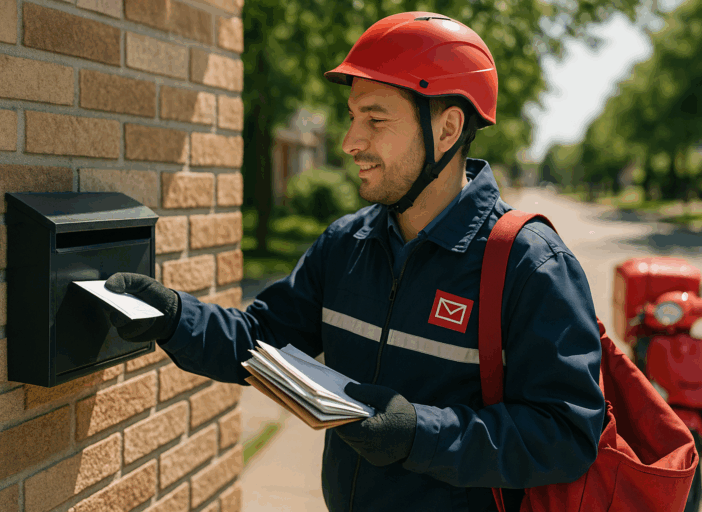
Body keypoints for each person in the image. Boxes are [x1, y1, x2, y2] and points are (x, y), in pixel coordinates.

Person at [106, 12, 605, 512]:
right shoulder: (347, 243)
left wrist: (417, 433)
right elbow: (259, 342)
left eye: (376, 118)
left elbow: (566, 434)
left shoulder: (530, 264)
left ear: (448, 129)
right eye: (352, 117)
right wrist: (172, 316)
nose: (351, 143)